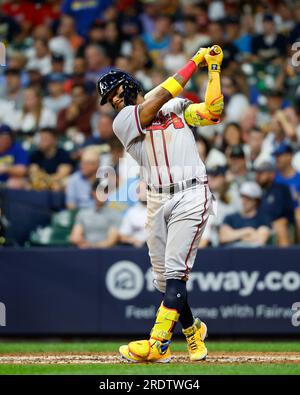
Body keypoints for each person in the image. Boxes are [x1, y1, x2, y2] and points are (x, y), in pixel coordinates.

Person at [97, 45, 224, 362]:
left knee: (174, 274)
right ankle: (193, 331)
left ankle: (158, 345)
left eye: (115, 90)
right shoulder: (124, 121)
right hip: (157, 199)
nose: (113, 99)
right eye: (108, 97)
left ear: (130, 84)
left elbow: (213, 112)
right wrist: (195, 60)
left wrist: (214, 69)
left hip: (191, 194)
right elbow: (160, 99)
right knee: (163, 279)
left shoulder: (177, 107)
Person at [70, 180, 121, 249]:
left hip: (105, 252)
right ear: (93, 192)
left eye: (105, 191)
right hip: (85, 251)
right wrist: (82, 243)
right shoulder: (83, 213)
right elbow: (75, 236)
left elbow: (110, 241)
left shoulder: (114, 214)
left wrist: (91, 246)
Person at [219, 181, 271, 247]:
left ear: (256, 201)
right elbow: (223, 237)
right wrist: (248, 231)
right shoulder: (230, 217)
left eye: (248, 198)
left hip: (254, 255)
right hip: (232, 255)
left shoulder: (263, 219)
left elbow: (261, 240)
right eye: (242, 197)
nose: (244, 201)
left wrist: (234, 236)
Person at [255, 161, 295, 246]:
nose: (258, 176)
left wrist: (283, 221)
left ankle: (285, 258)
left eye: (261, 173)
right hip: (256, 224)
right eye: (257, 173)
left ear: (271, 174)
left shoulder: (281, 189)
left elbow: (289, 214)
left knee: (280, 227)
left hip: (275, 225)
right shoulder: (255, 190)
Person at [118, 181, 148, 248]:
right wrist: (132, 240)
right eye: (141, 190)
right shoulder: (132, 212)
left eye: (146, 189)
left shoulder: (160, 210)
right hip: (136, 248)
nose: (144, 193)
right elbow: (122, 236)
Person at [0, 124, 28, 188]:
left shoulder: (18, 149)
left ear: (11, 139)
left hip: (8, 183)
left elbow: (22, 170)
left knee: (14, 182)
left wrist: (6, 169)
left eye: (6, 138)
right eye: (1, 138)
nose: (4, 141)